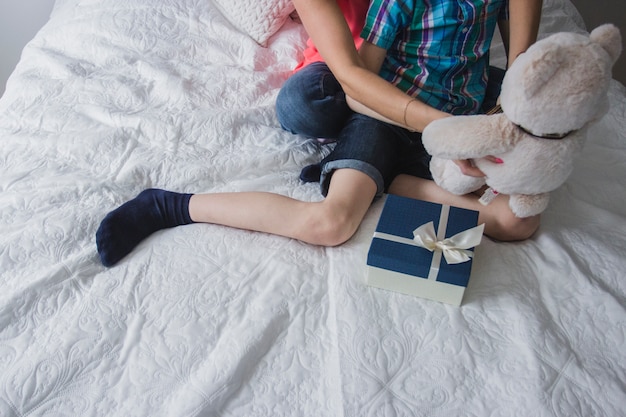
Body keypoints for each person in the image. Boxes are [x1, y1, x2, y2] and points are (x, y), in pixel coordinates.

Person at [96, 0, 543, 267]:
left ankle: (388, 182)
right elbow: (357, 80)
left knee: (516, 220)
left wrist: (506, 112)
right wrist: (447, 131)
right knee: (330, 223)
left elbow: (523, 65)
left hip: (453, 115)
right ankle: (166, 205)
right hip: (381, 113)